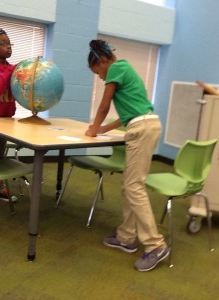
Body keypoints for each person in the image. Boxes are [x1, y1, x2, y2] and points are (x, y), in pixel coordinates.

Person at [85, 39, 169, 272]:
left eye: (98, 71)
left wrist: (93, 128)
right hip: (143, 125)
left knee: (134, 187)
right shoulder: (126, 69)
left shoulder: (116, 68)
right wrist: (103, 130)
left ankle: (155, 245)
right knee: (130, 185)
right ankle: (126, 237)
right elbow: (128, 113)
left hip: (142, 129)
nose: (101, 77)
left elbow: (104, 106)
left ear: (103, 61)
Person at [0, 23, 17, 201]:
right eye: (3, 43)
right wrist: (10, 71)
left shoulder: (11, 68)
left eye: (10, 43)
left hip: (6, 121)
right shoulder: (1, 68)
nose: (8, 46)